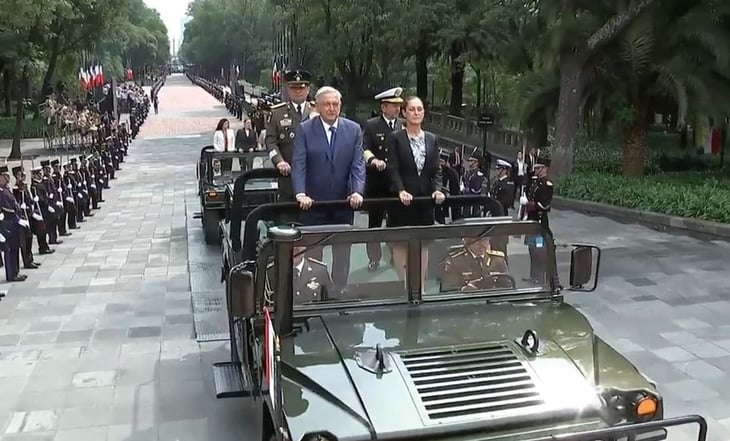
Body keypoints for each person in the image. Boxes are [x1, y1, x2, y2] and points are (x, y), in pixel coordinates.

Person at [291, 86, 365, 293]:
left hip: (343, 204)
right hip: (313, 205)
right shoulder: (305, 130)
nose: (332, 108)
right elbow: (299, 164)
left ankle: (340, 290)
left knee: (342, 253)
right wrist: (300, 193)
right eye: (327, 104)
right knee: (315, 253)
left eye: (335, 104)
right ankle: (314, 292)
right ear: (318, 105)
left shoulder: (353, 130)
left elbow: (358, 165)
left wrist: (357, 191)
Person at [386, 95, 445, 281]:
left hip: (424, 202)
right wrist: (400, 190)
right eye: (412, 109)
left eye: (419, 109)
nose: (416, 113)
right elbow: (392, 168)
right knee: (401, 244)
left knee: (423, 245)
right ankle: (404, 287)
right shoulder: (396, 138)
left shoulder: (431, 138)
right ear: (404, 112)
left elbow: (436, 169)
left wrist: (437, 189)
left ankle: (420, 288)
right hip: (402, 202)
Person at [362, 86, 405, 271]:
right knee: (375, 224)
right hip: (377, 182)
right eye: (393, 105)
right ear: (383, 107)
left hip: (396, 182)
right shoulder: (372, 125)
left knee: (396, 222)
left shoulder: (403, 124)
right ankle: (374, 257)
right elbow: (364, 148)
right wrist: (373, 160)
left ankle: (396, 256)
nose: (397, 109)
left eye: (399, 105)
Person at [265, 69, 315, 203]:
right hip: (288, 175)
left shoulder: (318, 111)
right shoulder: (277, 113)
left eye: (301, 88)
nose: (298, 91)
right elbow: (270, 141)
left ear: (308, 89)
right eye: (293, 88)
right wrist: (279, 161)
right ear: (288, 89)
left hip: (314, 174)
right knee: (288, 216)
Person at [265, 246, 334, 303]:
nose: (295, 249)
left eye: (298, 248)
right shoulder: (270, 272)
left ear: (305, 247)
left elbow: (330, 303)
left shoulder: (319, 271)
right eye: (292, 245)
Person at [441, 237, 510, 292]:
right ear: (467, 243)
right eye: (477, 241)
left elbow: (507, 286)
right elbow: (449, 289)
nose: (482, 245)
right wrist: (464, 289)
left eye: (485, 240)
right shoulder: (455, 261)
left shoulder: (497, 260)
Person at [524, 157, 553, 284]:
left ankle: (539, 277)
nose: (535, 170)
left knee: (539, 252)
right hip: (531, 221)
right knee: (532, 249)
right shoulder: (535, 182)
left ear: (545, 169)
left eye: (538, 168)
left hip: (539, 221)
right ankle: (533, 275)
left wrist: (530, 204)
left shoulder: (547, 185)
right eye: (535, 168)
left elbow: (544, 205)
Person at [0, 166, 26, 282]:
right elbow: (7, 208)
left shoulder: (6, 189)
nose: (7, 178)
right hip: (8, 223)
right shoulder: (1, 192)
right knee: (10, 250)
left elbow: (14, 202)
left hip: (13, 222)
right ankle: (11, 274)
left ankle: (16, 272)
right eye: (5, 176)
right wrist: (16, 216)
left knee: (15, 247)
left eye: (7, 175)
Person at [435, 150, 462, 224]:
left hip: (448, 202)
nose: (440, 164)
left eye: (442, 162)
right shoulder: (434, 171)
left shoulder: (452, 173)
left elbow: (455, 191)